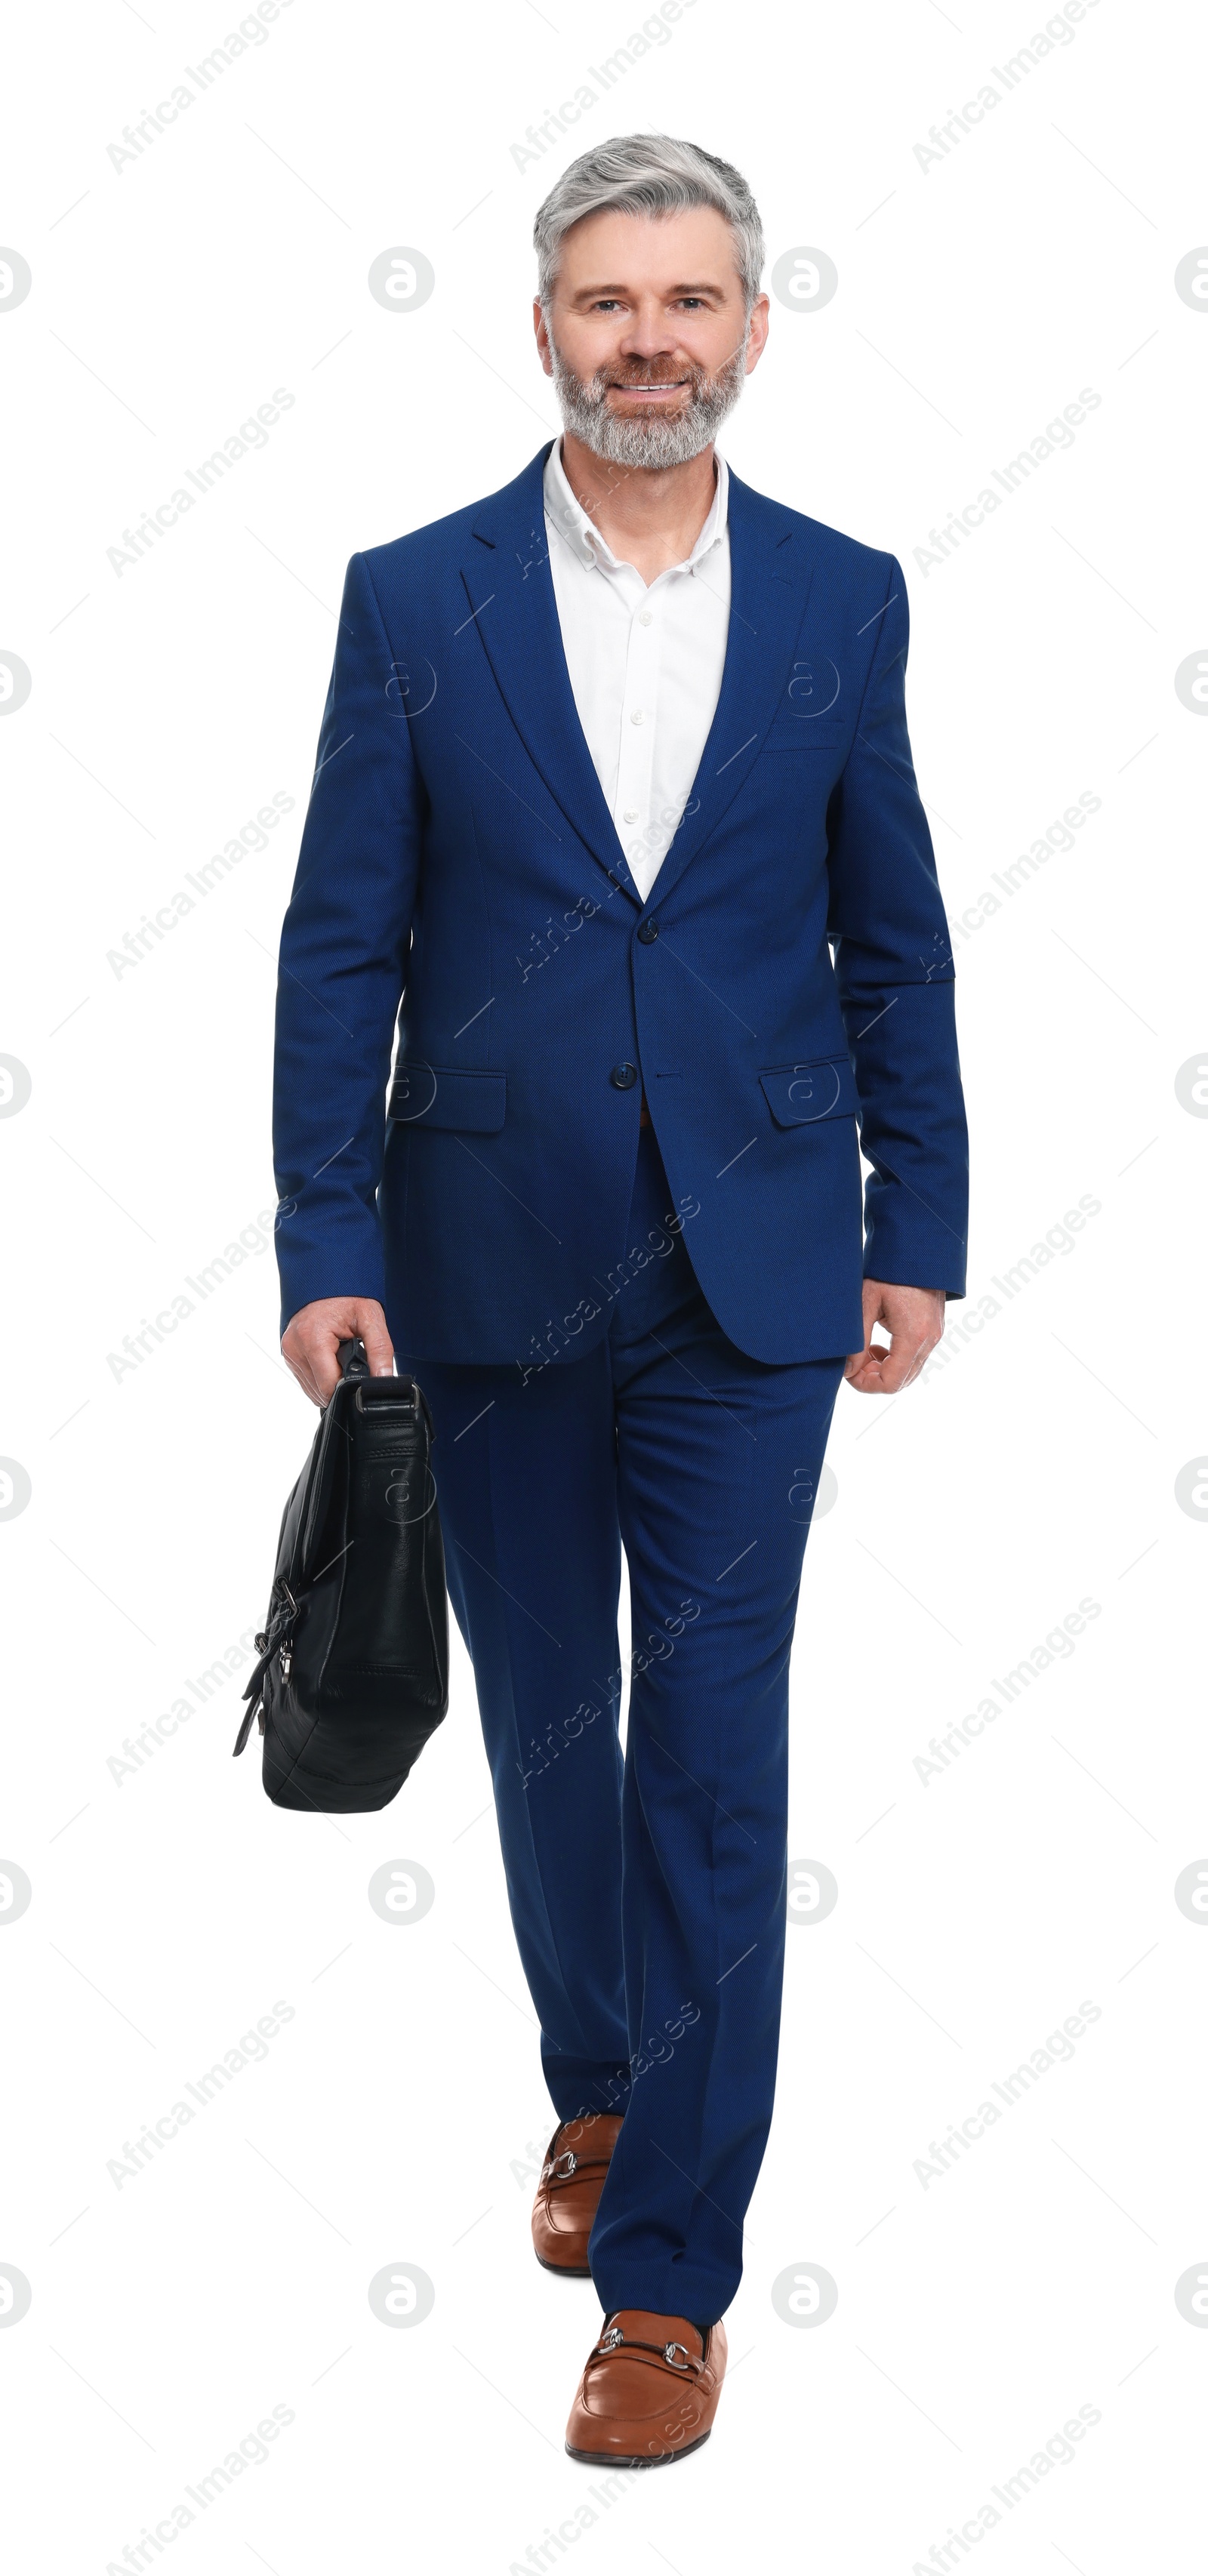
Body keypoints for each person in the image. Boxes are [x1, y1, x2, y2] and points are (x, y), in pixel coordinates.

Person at [273, 132, 968, 2467]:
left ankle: (669, 2271)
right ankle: (596, 2083)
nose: (649, 339)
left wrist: (925, 1212)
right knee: (550, 1726)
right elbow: (337, 941)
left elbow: (897, 931)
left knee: (716, 1750)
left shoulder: (847, 599)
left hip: (759, 1263)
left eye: (690, 299)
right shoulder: (413, 597)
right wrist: (324, 1243)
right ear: (547, 327)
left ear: (754, 329)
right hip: (484, 1265)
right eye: (608, 301)